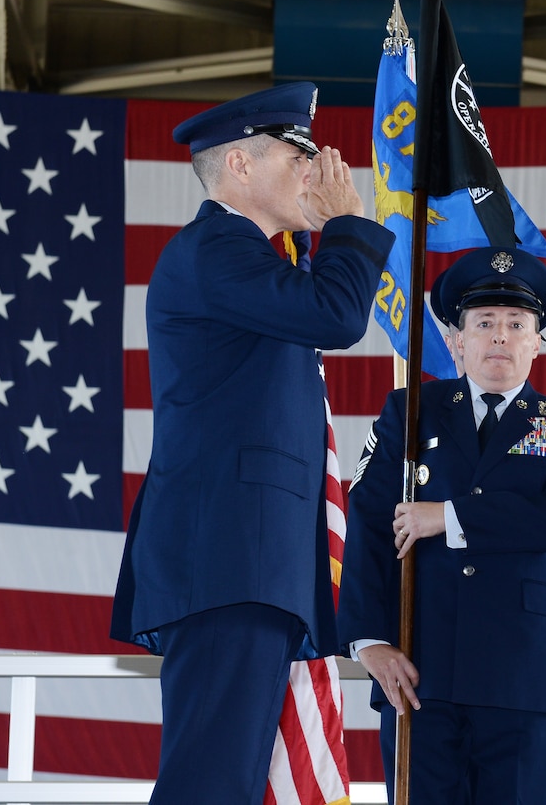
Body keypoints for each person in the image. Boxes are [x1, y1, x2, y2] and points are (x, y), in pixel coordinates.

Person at [109, 81, 395, 805]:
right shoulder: (215, 249)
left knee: (234, 779)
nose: (314, 173)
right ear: (239, 165)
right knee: (212, 777)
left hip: (249, 562)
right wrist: (348, 227)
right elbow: (334, 314)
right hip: (227, 561)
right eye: (298, 155)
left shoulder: (251, 257)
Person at [338, 246, 546, 804]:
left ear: (537, 343)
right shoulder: (409, 413)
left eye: (517, 324)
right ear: (454, 339)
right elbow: (369, 524)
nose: (500, 337)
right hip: (420, 672)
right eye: (484, 323)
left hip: (530, 674)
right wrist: (370, 640)